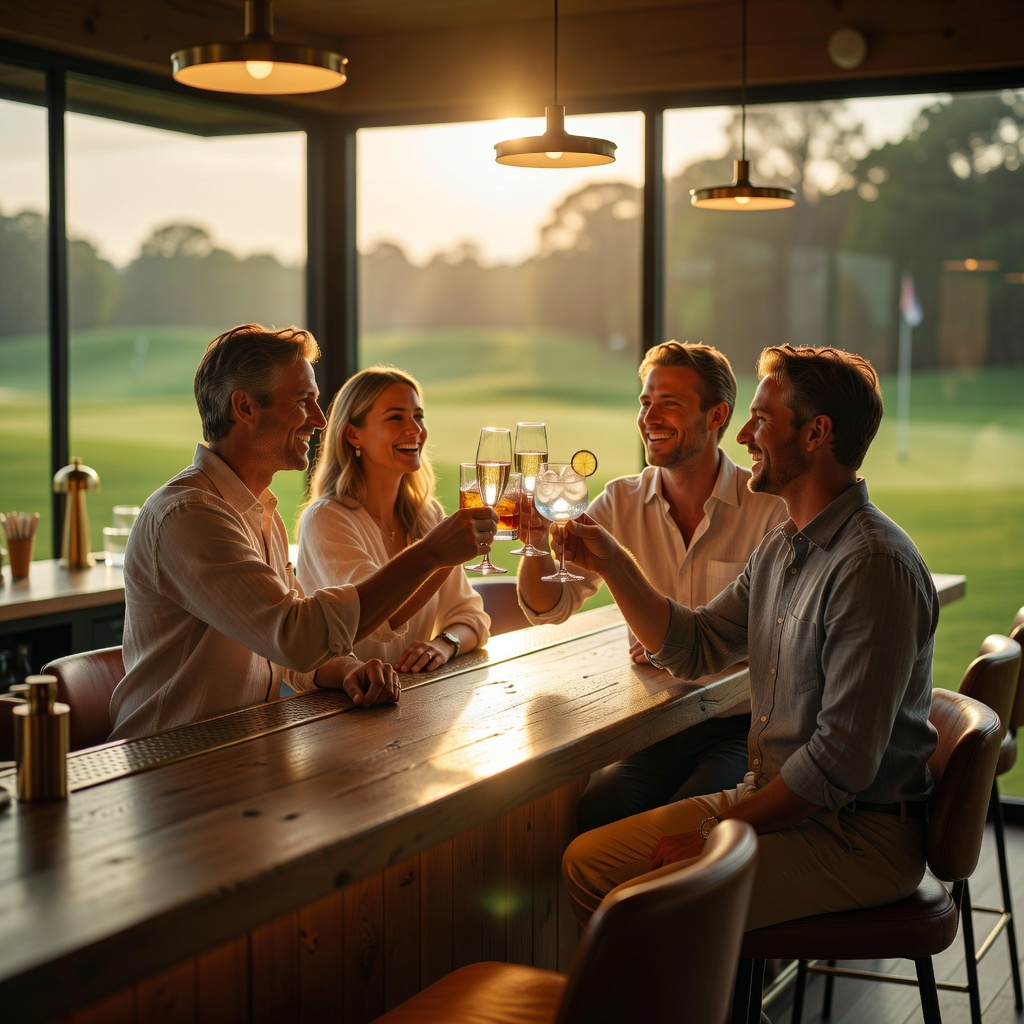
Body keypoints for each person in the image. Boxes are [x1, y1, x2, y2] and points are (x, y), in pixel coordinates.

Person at [558, 344, 939, 932]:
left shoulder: (872, 565)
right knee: (586, 863)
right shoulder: (784, 544)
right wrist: (612, 562)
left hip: (855, 835)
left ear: (816, 434)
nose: (742, 436)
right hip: (778, 802)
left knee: (642, 905)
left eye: (761, 419)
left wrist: (717, 831)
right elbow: (696, 646)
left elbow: (839, 763)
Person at [109, 324, 497, 740]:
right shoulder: (190, 516)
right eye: (302, 401)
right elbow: (295, 637)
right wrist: (430, 554)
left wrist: (347, 669)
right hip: (171, 758)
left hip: (244, 750)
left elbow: (285, 654)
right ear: (245, 407)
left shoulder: (261, 513)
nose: (320, 418)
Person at [517, 341, 786, 830]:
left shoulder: (768, 510)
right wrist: (535, 544)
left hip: (740, 729)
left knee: (681, 826)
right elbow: (550, 607)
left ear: (716, 415)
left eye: (670, 403)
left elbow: (787, 647)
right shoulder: (620, 501)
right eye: (645, 402)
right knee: (598, 812)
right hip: (654, 728)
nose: (649, 417)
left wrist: (675, 647)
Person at [296, 366, 489, 672]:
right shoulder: (326, 520)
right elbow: (378, 620)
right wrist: (441, 554)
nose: (415, 429)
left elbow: (472, 616)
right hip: (348, 696)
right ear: (353, 434)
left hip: (417, 692)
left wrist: (443, 645)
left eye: (418, 416)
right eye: (396, 417)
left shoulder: (428, 515)